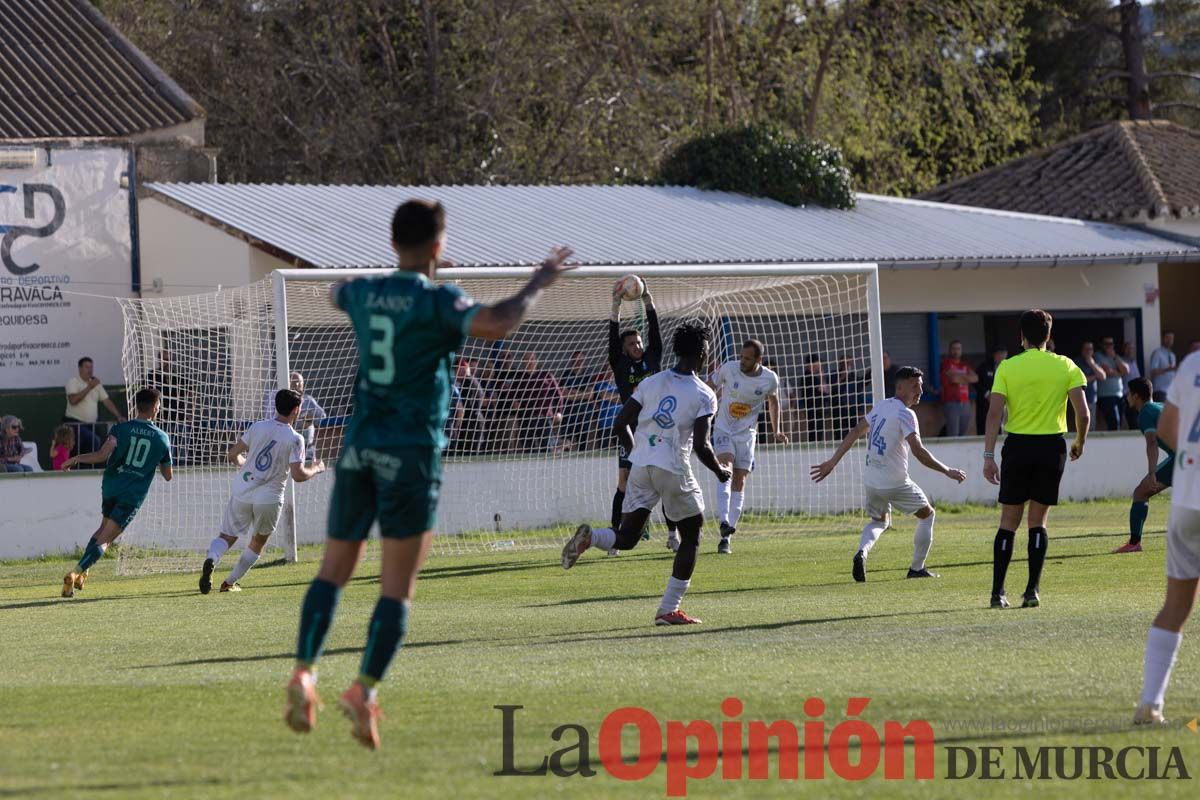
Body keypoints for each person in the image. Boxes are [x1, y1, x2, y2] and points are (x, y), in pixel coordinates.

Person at [284, 199, 573, 750]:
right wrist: (540, 280)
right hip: (411, 455)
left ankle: (304, 670)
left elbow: (334, 291)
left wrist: (359, 283)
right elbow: (499, 322)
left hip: (358, 450)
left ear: (393, 243)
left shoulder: (365, 291)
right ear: (440, 246)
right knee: (397, 588)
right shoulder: (438, 301)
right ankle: (363, 690)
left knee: (332, 572)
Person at [560, 321, 731, 626]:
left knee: (627, 537)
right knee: (691, 536)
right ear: (703, 352)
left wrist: (637, 451)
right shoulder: (705, 393)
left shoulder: (650, 382)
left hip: (641, 466)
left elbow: (619, 423)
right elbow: (703, 446)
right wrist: (720, 471)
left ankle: (592, 537)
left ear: (677, 349)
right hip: (673, 467)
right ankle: (669, 608)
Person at [811, 367, 966, 581]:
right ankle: (916, 568)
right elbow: (919, 451)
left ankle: (862, 553)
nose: (919, 390)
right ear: (900, 387)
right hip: (896, 483)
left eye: (920, 385)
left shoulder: (882, 406)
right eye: (914, 386)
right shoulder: (906, 413)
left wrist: (832, 462)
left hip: (872, 482)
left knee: (879, 521)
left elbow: (856, 431)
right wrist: (947, 470)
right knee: (927, 515)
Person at [984, 310, 1089, 609]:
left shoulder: (1007, 366)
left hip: (1017, 446)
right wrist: (1079, 442)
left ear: (1022, 336)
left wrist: (989, 456)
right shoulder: (1066, 365)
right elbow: (1083, 413)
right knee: (1037, 522)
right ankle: (1031, 591)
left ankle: (997, 593)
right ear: (1048, 336)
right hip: (1050, 447)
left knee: (1008, 522)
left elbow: (994, 414)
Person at [199, 389, 327, 594]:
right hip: (270, 497)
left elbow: (232, 454)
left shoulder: (258, 426)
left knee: (227, 535)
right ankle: (229, 582)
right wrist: (317, 468)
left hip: (243, 490)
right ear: (296, 409)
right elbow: (298, 475)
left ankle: (212, 558)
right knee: (258, 541)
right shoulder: (295, 438)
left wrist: (244, 465)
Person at [1134, 349, 1200, 725]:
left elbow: (1166, 430)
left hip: (1189, 500)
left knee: (1176, 607)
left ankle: (1150, 703)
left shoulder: (1191, 364)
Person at [59, 388, 172, 597]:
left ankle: (83, 573)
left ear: (137, 406)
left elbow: (102, 455)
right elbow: (167, 475)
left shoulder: (120, 429)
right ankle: (75, 573)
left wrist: (75, 458)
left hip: (111, 486)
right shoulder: (162, 438)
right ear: (156, 408)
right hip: (131, 493)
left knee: (103, 528)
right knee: (107, 538)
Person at [607, 280, 675, 542]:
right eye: (632, 344)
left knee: (665, 481)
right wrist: (615, 307)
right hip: (630, 429)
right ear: (624, 350)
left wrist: (648, 300)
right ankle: (615, 536)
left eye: (638, 342)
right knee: (624, 482)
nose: (637, 346)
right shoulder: (620, 364)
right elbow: (612, 338)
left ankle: (672, 534)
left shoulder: (653, 358)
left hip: (658, 428)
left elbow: (655, 330)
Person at [708, 339, 788, 555]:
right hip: (723, 429)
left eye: (747, 358)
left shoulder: (770, 379)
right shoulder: (729, 368)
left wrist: (776, 430)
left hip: (747, 435)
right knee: (725, 468)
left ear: (758, 360)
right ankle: (724, 521)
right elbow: (709, 386)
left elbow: (773, 401)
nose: (742, 361)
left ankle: (726, 538)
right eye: (741, 356)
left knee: (740, 479)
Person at [1114, 378, 1174, 555]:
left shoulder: (1146, 413)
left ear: (1136, 396)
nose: (1126, 397)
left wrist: (1152, 472)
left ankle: (1134, 543)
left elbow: (1152, 442)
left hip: (1185, 457)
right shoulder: (1160, 406)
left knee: (1141, 492)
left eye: (1128, 393)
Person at [64, 356, 126, 457]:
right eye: (87, 367)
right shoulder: (73, 382)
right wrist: (89, 387)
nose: (90, 370)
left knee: (106, 441)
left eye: (91, 367)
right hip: (75, 424)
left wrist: (118, 416)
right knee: (93, 441)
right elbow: (73, 400)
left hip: (92, 425)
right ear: (80, 369)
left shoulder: (96, 384)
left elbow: (106, 401)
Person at [264, 372, 327, 460]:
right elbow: (269, 418)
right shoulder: (277, 399)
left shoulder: (308, 401)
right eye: (293, 381)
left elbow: (323, 417)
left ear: (303, 385)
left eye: (299, 382)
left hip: (305, 445)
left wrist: (311, 418)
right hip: (283, 443)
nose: (296, 384)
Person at [514, 352, 563, 453]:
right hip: (526, 419)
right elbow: (511, 396)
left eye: (532, 359)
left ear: (536, 360)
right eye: (527, 359)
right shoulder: (519, 378)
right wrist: (514, 403)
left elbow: (559, 395)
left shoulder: (546, 375)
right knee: (528, 450)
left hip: (544, 418)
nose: (530, 362)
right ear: (523, 362)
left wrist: (558, 412)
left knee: (547, 448)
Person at [559, 351, 596, 452]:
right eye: (576, 359)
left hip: (583, 416)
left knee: (582, 446)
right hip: (568, 416)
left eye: (580, 359)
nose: (578, 362)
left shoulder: (588, 375)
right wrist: (582, 394)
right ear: (572, 361)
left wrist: (573, 393)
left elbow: (590, 395)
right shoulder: (566, 375)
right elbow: (563, 393)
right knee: (566, 445)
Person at [939, 340, 977, 437]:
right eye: (954, 349)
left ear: (961, 350)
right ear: (950, 350)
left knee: (963, 433)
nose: (956, 351)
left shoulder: (965, 365)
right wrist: (966, 378)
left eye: (958, 349)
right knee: (953, 434)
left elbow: (975, 378)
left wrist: (960, 378)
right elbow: (953, 379)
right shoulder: (946, 363)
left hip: (965, 402)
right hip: (951, 402)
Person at [1093, 336, 1129, 431]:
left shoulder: (1116, 356)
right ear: (1102, 345)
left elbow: (1126, 371)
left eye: (1111, 344)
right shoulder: (1098, 356)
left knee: (1119, 423)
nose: (1109, 346)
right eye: (1106, 344)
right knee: (1114, 421)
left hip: (1119, 395)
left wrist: (1115, 357)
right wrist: (1119, 373)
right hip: (1105, 395)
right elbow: (1107, 371)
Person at [976, 345, 1008, 439]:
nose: (1003, 359)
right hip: (985, 404)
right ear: (996, 355)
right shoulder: (984, 366)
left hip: (1001, 402)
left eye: (1005, 356)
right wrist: (987, 394)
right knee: (984, 426)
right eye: (1001, 356)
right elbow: (976, 382)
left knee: (999, 426)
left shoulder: (1007, 367)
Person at [800, 354, 831, 441]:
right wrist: (821, 374)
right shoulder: (808, 376)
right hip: (813, 407)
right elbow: (823, 390)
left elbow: (827, 390)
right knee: (815, 429)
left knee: (818, 429)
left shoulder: (814, 376)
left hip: (819, 407)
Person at [1076, 342, 1102, 424]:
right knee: (1081, 424)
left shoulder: (1094, 361)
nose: (1088, 351)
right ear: (1082, 350)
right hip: (1079, 399)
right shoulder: (1077, 362)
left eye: (1090, 349)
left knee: (1091, 424)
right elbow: (1081, 380)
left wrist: (1092, 364)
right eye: (1086, 349)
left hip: (1092, 399)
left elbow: (1102, 376)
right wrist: (1095, 376)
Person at [1149, 331, 1178, 403]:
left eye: (1171, 338)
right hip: (1160, 390)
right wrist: (1167, 369)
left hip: (1171, 391)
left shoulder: (1172, 355)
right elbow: (1153, 372)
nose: (1169, 340)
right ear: (1163, 339)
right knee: (1161, 413)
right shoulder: (1157, 353)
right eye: (1167, 338)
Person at [1122, 342, 1143, 430]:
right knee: (1132, 420)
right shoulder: (1121, 361)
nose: (1130, 351)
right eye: (1128, 348)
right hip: (1127, 395)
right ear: (1124, 349)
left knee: (1138, 419)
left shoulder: (1133, 362)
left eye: (1131, 349)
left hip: (1137, 396)